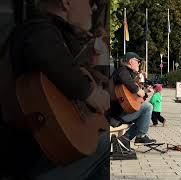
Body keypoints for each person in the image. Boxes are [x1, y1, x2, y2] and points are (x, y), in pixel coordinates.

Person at [1, 0, 110, 179]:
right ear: (66, 3)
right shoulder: (38, 30)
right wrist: (90, 93)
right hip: (30, 162)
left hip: (38, 155)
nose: (93, 8)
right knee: (105, 143)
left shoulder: (53, 33)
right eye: (89, 2)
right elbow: (47, 53)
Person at [110, 52, 156, 146]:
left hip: (122, 112)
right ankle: (140, 137)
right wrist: (139, 90)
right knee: (148, 107)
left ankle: (124, 139)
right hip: (116, 115)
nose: (139, 63)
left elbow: (133, 100)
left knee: (143, 118)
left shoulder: (128, 74)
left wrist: (146, 94)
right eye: (138, 61)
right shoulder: (122, 71)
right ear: (131, 61)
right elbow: (133, 88)